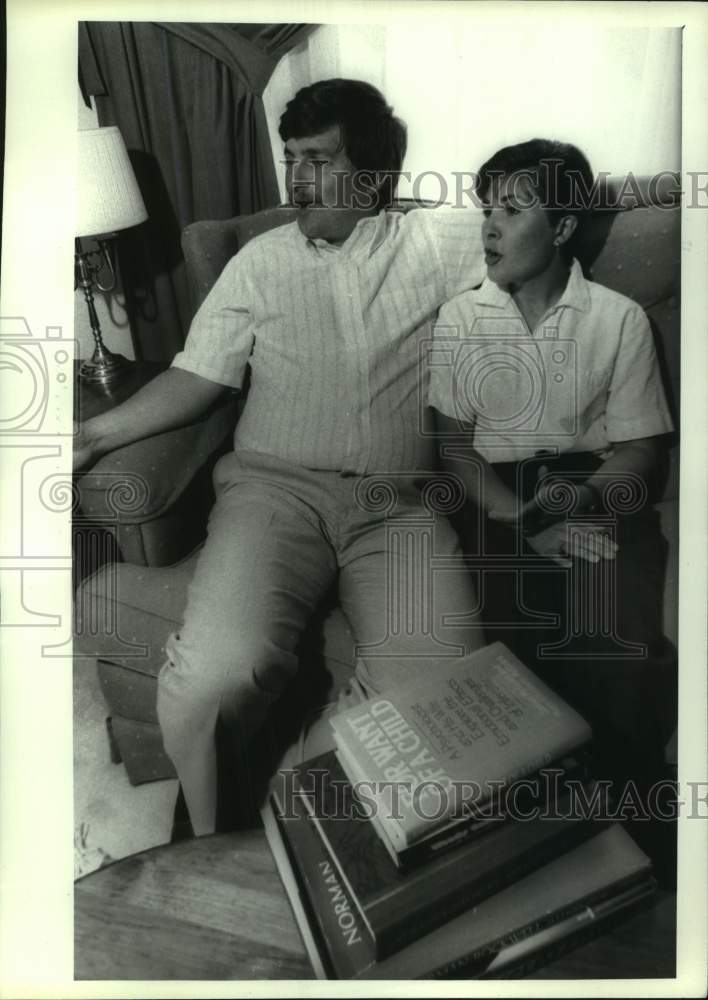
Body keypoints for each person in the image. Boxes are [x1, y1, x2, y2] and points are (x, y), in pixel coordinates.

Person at [74, 78, 488, 836]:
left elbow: (543, 219)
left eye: (319, 158)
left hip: (396, 507)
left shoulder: (439, 241)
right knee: (213, 679)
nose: (296, 177)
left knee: (441, 702)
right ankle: (207, 830)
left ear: (373, 174)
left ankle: (294, 802)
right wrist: (94, 436)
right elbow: (198, 374)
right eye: (290, 156)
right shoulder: (260, 262)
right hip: (273, 496)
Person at [428, 139, 677, 830]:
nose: (490, 226)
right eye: (487, 209)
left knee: (618, 644)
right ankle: (534, 841)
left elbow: (639, 449)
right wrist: (524, 518)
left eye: (512, 209)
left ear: (563, 227)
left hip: (589, 486)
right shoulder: (461, 319)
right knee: (516, 649)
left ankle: (637, 836)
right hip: (493, 496)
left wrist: (574, 500)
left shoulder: (618, 319)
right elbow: (454, 449)